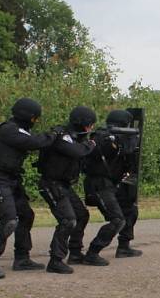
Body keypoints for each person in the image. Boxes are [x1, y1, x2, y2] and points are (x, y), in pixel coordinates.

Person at [0, 98, 56, 279]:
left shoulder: (15, 129)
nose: (35, 121)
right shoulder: (9, 130)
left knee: (26, 215)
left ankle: (22, 258)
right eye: (35, 118)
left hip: (12, 180)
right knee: (9, 221)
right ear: (30, 116)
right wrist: (53, 135)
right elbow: (35, 142)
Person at [36, 106, 97, 274]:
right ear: (83, 124)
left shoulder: (75, 137)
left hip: (64, 185)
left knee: (82, 215)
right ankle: (56, 260)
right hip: (51, 183)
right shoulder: (62, 136)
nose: (91, 128)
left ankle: (75, 252)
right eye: (90, 125)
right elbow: (78, 152)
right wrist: (92, 142)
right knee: (68, 220)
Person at [81, 109, 142, 262]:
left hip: (113, 183)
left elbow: (128, 155)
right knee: (117, 219)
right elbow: (95, 152)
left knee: (130, 209)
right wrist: (114, 140)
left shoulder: (125, 138)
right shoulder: (102, 137)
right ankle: (93, 252)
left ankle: (124, 247)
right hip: (99, 184)